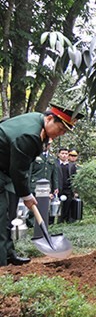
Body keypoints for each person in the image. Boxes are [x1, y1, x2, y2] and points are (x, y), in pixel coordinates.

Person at [0, 105, 83, 266]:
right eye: (60, 129)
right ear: (50, 118)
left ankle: (8, 253)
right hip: (5, 170)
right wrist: (27, 195)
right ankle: (1, 265)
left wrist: (24, 193)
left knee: (8, 214)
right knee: (0, 215)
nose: (60, 134)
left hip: (5, 170)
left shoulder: (39, 123)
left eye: (64, 132)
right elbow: (20, 170)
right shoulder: (29, 135)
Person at [28, 139, 60, 225]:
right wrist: (27, 185)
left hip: (46, 186)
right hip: (35, 185)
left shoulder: (52, 158)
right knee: (33, 205)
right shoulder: (35, 156)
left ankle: (43, 223)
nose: (47, 146)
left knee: (45, 206)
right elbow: (30, 171)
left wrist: (55, 187)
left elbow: (54, 174)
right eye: (45, 144)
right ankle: (31, 223)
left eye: (48, 144)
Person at [57, 147, 77, 223]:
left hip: (68, 188)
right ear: (59, 154)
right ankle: (57, 220)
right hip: (58, 187)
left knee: (68, 204)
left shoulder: (71, 165)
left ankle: (65, 219)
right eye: (62, 153)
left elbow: (74, 177)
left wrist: (75, 190)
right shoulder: (55, 164)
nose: (64, 155)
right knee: (58, 204)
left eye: (66, 154)